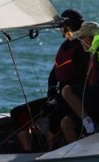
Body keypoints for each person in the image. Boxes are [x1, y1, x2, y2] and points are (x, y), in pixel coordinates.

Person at [9, 9, 88, 152]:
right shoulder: (65, 46)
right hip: (59, 97)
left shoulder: (82, 48)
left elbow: (81, 79)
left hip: (74, 99)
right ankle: (29, 154)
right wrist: (51, 92)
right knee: (17, 114)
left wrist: (58, 100)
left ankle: (52, 153)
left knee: (54, 120)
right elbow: (55, 72)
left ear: (69, 26)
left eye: (62, 27)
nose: (61, 30)